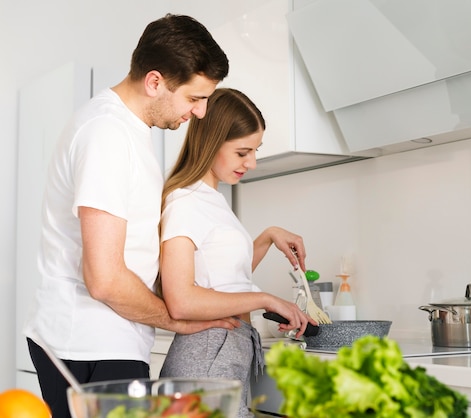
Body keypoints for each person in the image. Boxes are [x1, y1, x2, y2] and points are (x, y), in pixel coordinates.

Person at [21, 14, 301, 418]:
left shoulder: (131, 133)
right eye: (194, 98)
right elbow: (104, 280)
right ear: (155, 82)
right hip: (84, 340)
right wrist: (179, 319)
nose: (202, 113)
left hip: (108, 337)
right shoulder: (107, 135)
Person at [157, 88, 315, 418]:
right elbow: (182, 299)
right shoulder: (186, 201)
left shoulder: (211, 199)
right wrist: (267, 300)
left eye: (255, 151)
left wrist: (267, 237)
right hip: (207, 356)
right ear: (212, 142)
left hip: (225, 351)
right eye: (243, 152)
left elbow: (226, 280)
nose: (252, 162)